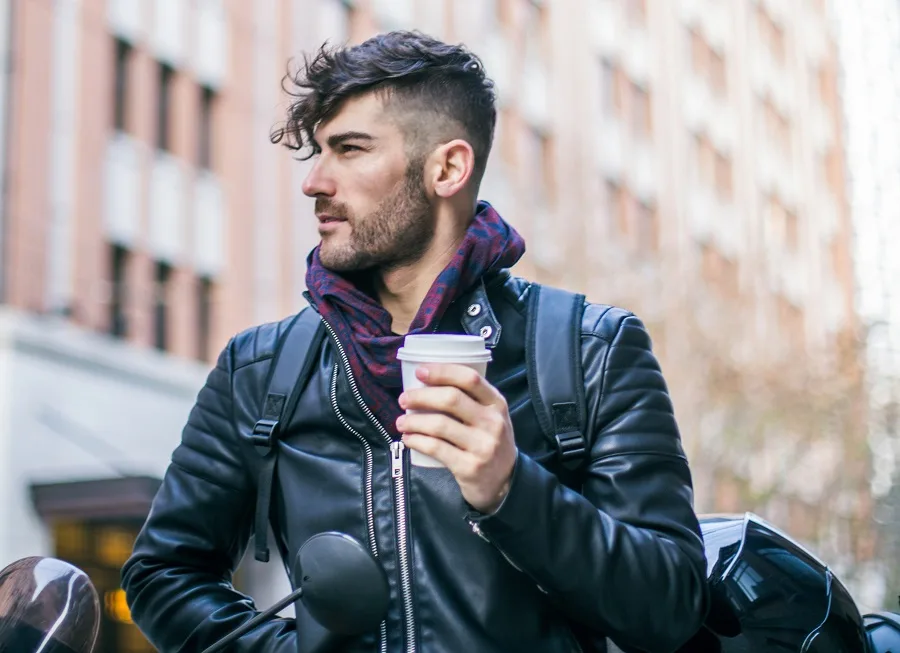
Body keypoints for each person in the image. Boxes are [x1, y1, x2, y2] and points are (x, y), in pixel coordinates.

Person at [121, 31, 709, 653]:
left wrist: (511, 489)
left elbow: (671, 605)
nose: (315, 181)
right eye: (318, 152)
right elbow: (163, 575)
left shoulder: (592, 351)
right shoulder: (259, 369)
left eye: (350, 149)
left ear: (448, 168)